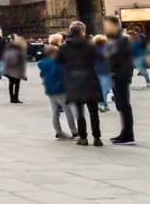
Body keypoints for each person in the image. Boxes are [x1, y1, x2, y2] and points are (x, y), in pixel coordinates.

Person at [57, 22, 102, 146]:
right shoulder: (90, 44)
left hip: (74, 80)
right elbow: (99, 58)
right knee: (93, 111)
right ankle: (97, 137)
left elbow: (59, 62)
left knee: (79, 111)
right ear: (83, 31)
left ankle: (83, 137)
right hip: (90, 78)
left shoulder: (64, 46)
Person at [102, 16, 135, 145]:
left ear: (115, 25)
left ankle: (128, 133)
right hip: (116, 74)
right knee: (120, 104)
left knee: (124, 105)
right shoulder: (114, 39)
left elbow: (116, 56)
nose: (105, 27)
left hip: (122, 74)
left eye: (107, 25)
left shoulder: (122, 39)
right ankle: (124, 132)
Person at [38, 33, 75, 139]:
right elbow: (62, 73)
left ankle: (58, 130)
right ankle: (74, 130)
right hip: (60, 87)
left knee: (55, 111)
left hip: (49, 88)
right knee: (68, 110)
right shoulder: (56, 63)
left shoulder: (43, 63)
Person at [1, 35, 27, 103]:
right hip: (17, 69)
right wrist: (24, 73)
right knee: (17, 84)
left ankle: (11, 98)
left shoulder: (8, 47)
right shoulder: (21, 49)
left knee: (11, 83)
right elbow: (22, 62)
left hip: (9, 68)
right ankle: (16, 98)